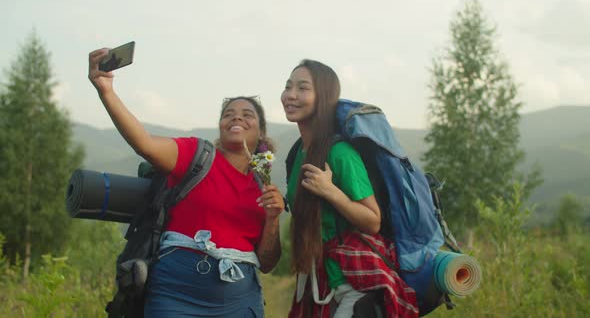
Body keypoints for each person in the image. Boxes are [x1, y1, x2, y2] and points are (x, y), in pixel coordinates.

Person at [88, 48, 284, 317]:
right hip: (176, 296)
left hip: (239, 304)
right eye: (228, 113)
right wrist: (106, 91)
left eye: (247, 114)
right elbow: (144, 144)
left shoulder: (264, 187)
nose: (237, 116)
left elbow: (268, 263)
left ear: (260, 131)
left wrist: (273, 219)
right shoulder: (196, 155)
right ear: (220, 126)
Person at [281, 59, 419, 318]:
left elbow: (372, 221)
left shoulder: (340, 153)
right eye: (288, 86)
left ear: (323, 97)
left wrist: (330, 191)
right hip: (316, 282)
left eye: (302, 88)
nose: (291, 95)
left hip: (353, 286)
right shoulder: (298, 152)